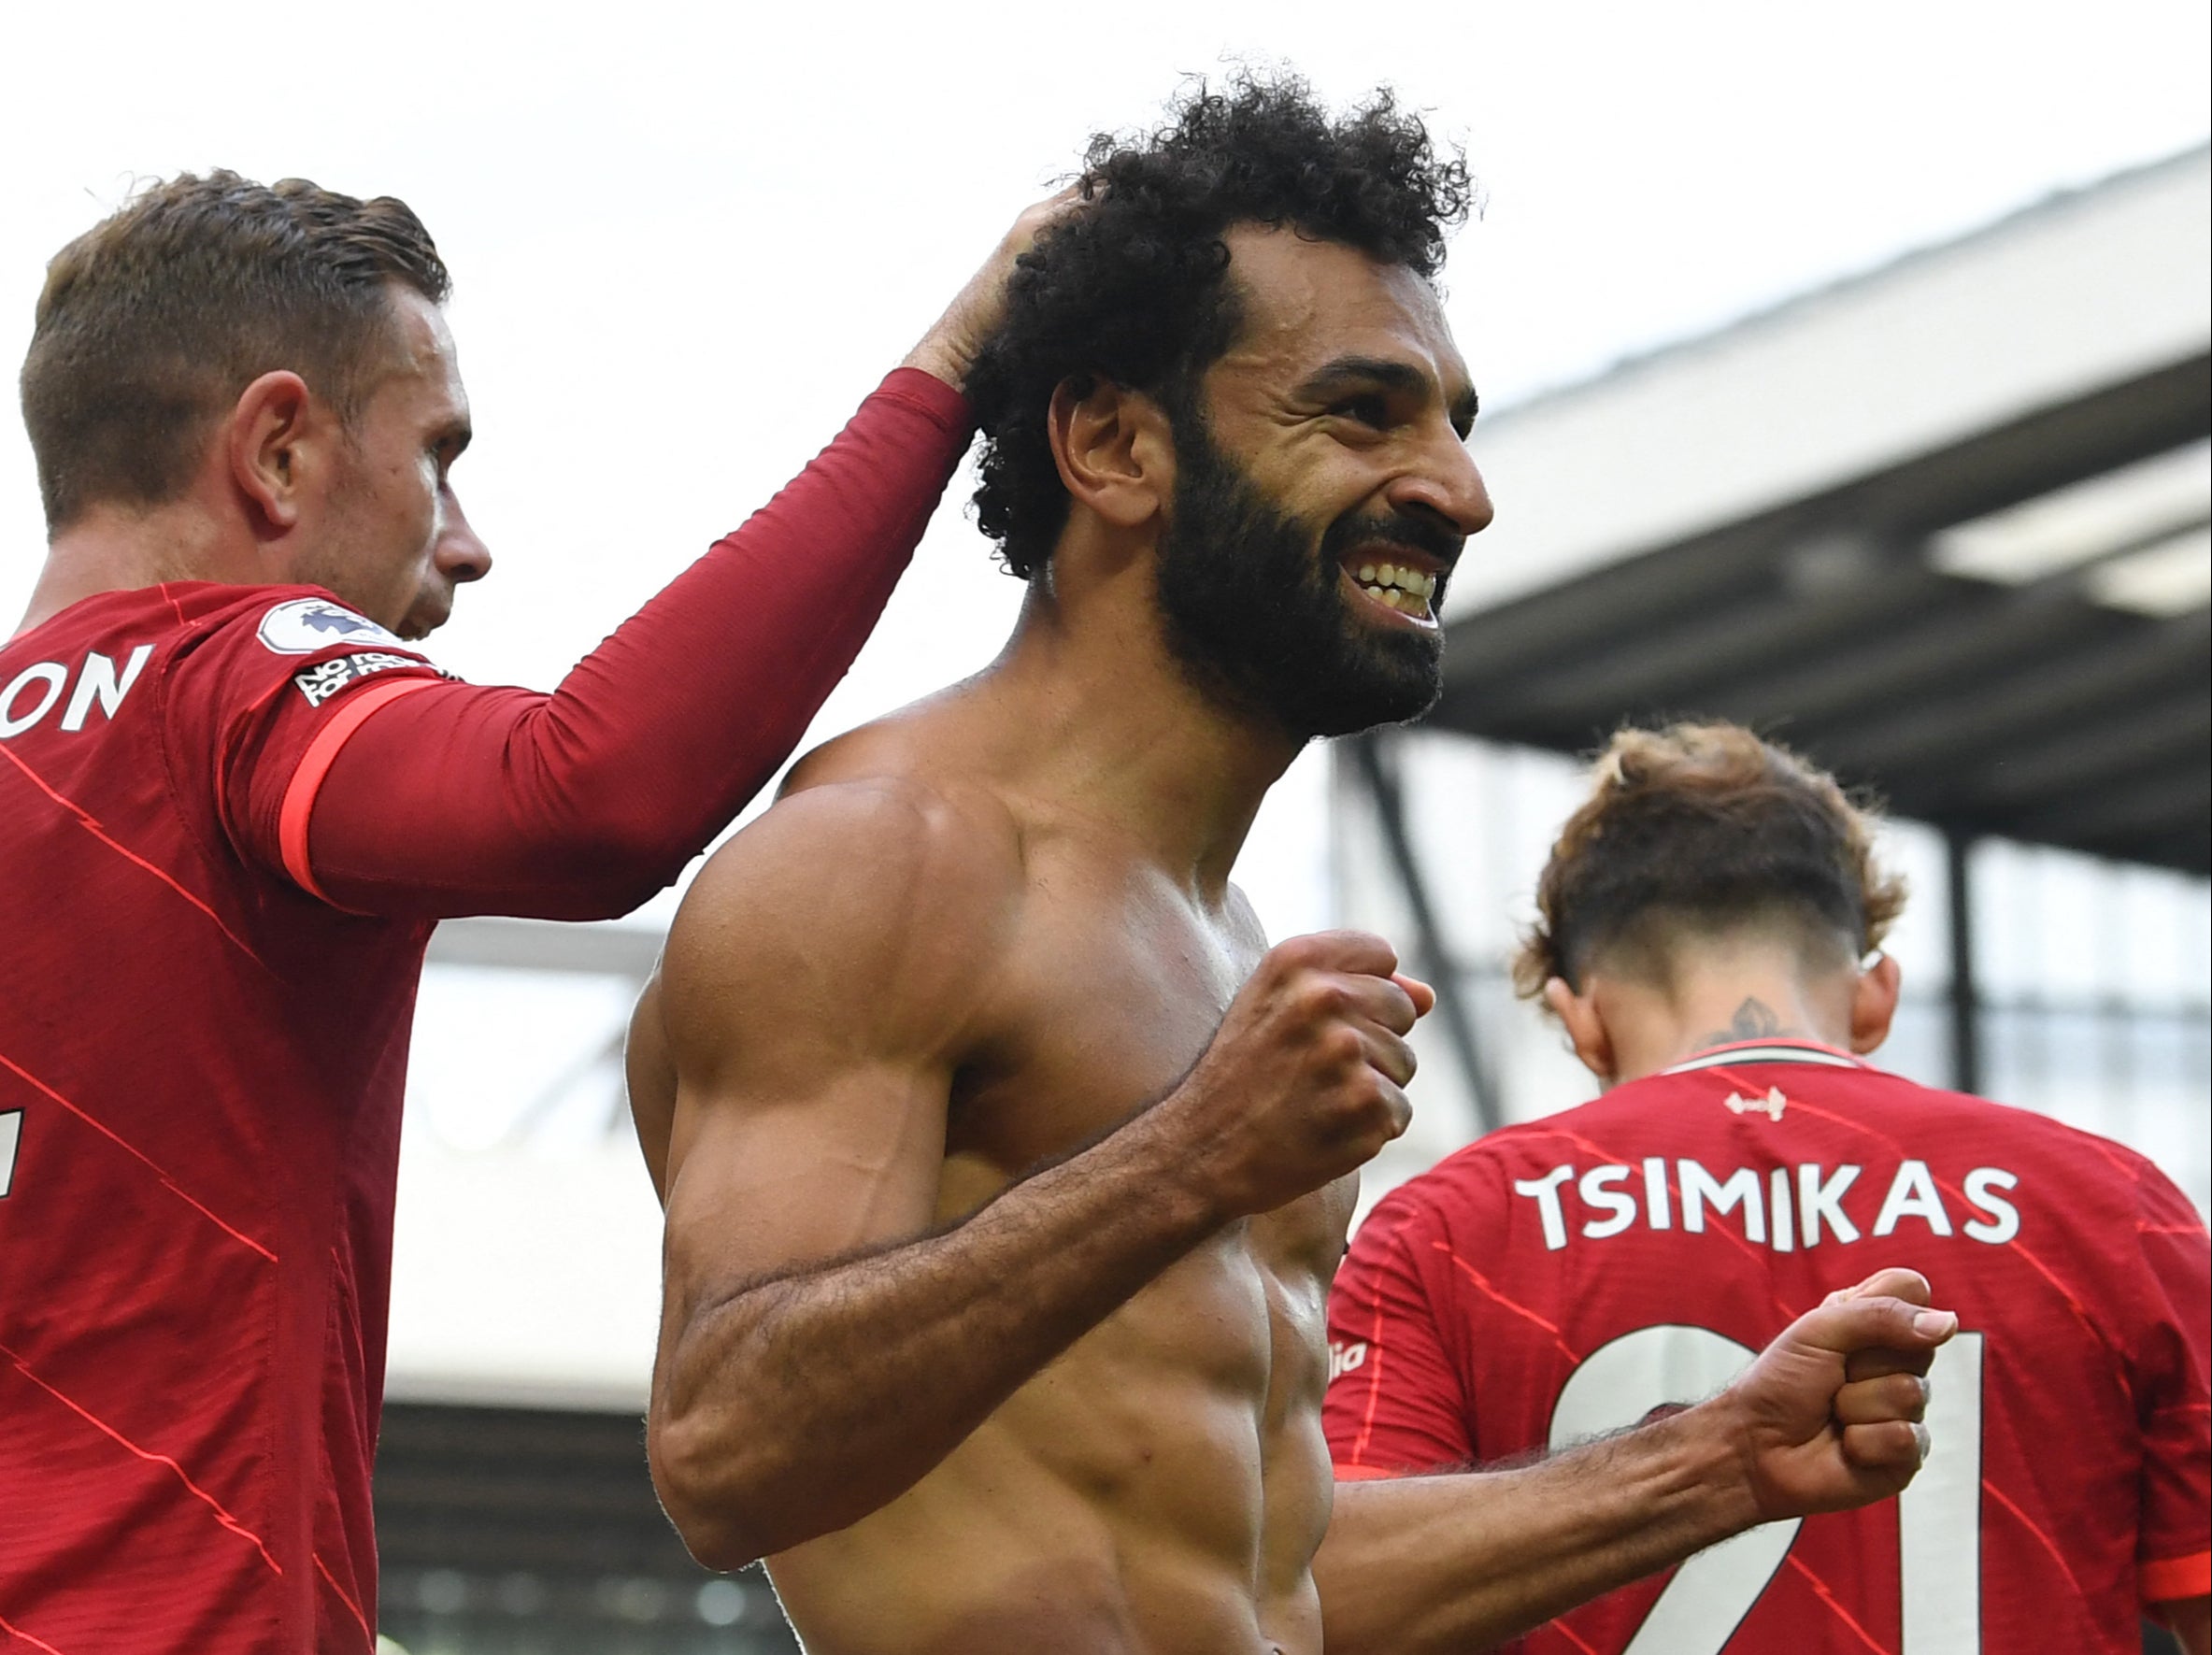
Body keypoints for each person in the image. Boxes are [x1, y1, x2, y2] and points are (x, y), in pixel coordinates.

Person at [629, 79, 1957, 1655]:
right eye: (1361, 412)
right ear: (1115, 443)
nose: (1457, 490)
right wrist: (1191, 1152)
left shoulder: (1217, 942)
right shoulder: (881, 860)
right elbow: (724, 1451)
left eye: (1454, 420)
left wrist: (1715, 1459)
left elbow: (1258, 1583)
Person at [0, 170, 1051, 1653]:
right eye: (438, 454)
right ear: (278, 449)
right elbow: (588, 796)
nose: (468, 540)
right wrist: (947, 374)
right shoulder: (222, 680)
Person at [1323, 720, 2212, 1655]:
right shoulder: (2115, 1209)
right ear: (1877, 996)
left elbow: (1330, 1600)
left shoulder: (1451, 1228)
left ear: (1580, 1020)